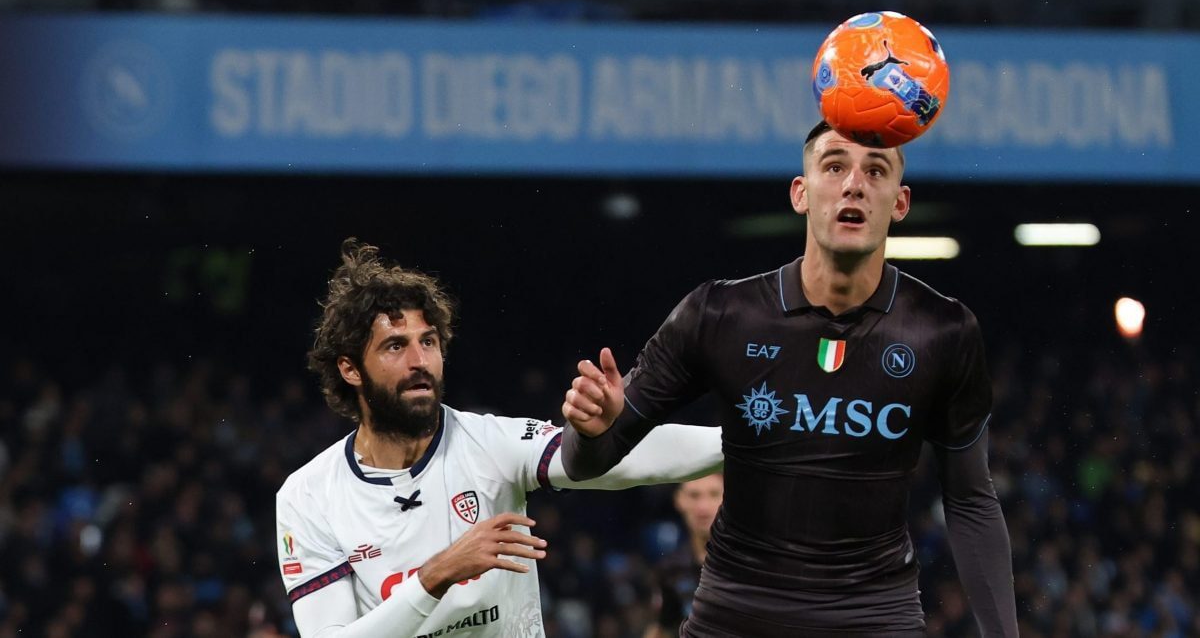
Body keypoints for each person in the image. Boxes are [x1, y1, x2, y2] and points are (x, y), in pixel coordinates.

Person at [560, 120, 1019, 637]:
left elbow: (971, 499)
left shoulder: (944, 331)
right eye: (834, 166)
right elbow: (584, 465)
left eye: (875, 170)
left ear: (900, 202)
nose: (853, 184)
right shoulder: (718, 314)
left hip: (874, 620)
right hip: (735, 617)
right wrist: (591, 431)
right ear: (800, 193)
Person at [275, 239, 722, 638]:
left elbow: (622, 461)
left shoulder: (489, 443)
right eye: (395, 346)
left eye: (429, 342)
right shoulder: (309, 495)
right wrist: (437, 575)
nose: (420, 361)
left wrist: (746, 440)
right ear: (350, 369)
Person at [643, 473, 723, 638]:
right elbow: (662, 628)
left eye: (714, 494)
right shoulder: (670, 570)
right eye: (694, 495)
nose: (703, 507)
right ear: (679, 500)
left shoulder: (751, 564)